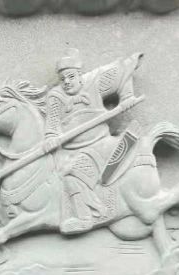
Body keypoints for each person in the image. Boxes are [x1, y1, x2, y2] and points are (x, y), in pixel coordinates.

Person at [44, 48, 141, 234]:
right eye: (62, 79)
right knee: (59, 172)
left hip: (100, 143)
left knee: (71, 176)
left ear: (80, 76)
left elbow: (124, 69)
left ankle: (86, 218)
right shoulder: (55, 97)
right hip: (72, 150)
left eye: (71, 77)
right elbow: (51, 125)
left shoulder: (94, 82)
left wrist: (127, 96)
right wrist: (50, 138)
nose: (67, 82)